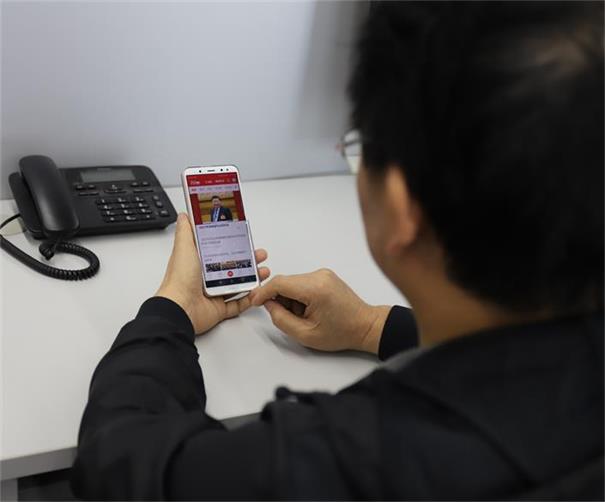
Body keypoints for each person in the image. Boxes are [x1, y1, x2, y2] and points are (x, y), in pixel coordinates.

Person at [71, 2, 604, 499]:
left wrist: (169, 311)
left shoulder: (351, 461)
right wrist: (373, 327)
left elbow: (121, 461)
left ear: (402, 209)